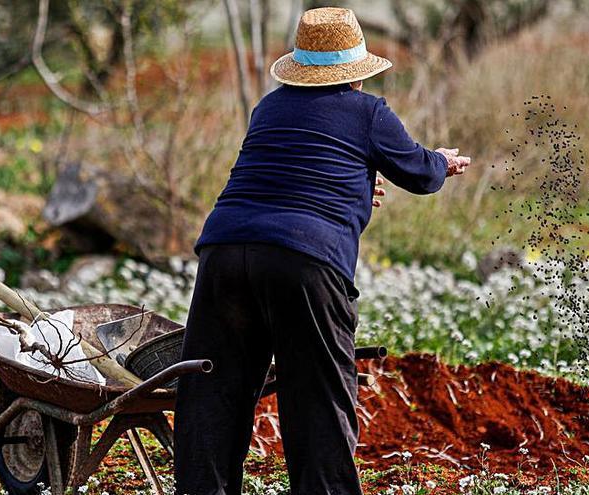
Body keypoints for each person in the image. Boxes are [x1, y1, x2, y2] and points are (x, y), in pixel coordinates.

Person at [173, 7, 471, 495]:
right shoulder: (368, 112)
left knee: (213, 393)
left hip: (225, 253)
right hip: (303, 262)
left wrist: (355, 183)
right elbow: (419, 173)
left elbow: (290, 172)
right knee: (317, 399)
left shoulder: (268, 108)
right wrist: (442, 160)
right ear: (355, 75)